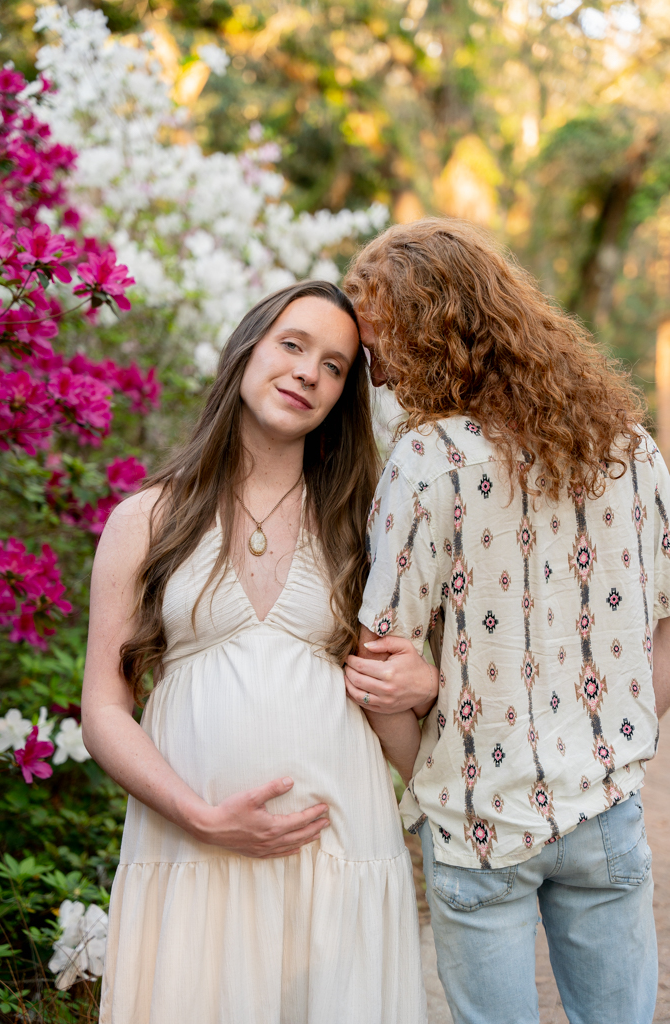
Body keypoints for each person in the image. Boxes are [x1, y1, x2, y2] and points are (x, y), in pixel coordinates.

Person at [341, 218, 670, 1024]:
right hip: (604, 806)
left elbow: (378, 669)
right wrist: (619, 741)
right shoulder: (628, 447)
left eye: (380, 346)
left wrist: (430, 773)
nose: (375, 375)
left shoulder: (427, 463)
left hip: (473, 820)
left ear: (431, 335)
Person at [82, 280, 427, 1024]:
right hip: (192, 857)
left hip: (340, 863)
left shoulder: (365, 529)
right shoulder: (145, 520)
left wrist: (423, 685)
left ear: (343, 396)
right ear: (247, 350)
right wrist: (199, 815)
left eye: (335, 366)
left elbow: (406, 720)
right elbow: (103, 712)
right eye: (293, 345)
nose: (309, 372)